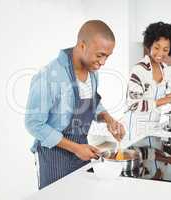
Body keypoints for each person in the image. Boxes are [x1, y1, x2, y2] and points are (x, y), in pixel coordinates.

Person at [25, 20, 125, 189]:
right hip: (54, 156)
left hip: (82, 151)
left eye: (107, 56)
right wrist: (75, 148)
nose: (103, 62)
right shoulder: (49, 76)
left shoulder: (93, 73)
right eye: (99, 55)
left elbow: (92, 103)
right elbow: (33, 123)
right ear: (82, 46)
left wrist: (109, 120)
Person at [126, 22, 171, 179]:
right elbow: (133, 104)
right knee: (142, 178)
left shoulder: (164, 69)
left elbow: (163, 96)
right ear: (149, 45)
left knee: (158, 175)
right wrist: (168, 98)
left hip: (153, 129)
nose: (160, 53)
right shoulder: (139, 70)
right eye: (156, 47)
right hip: (136, 132)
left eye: (165, 49)